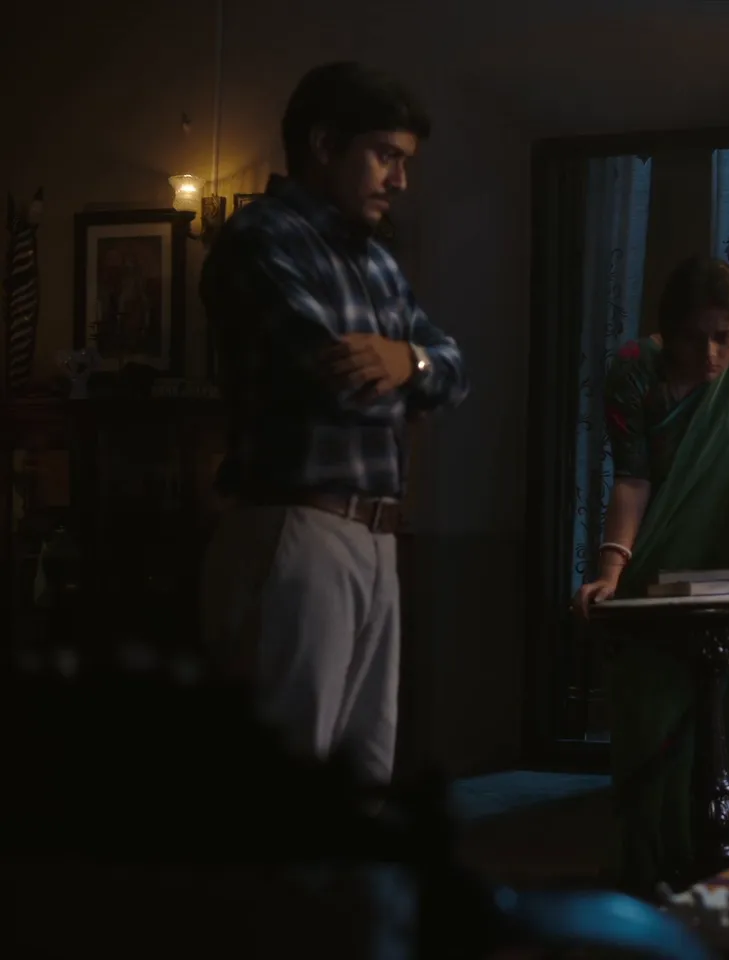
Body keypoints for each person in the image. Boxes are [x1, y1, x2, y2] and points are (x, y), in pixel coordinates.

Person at [199, 61, 468, 788]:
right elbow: (338, 381)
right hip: (297, 524)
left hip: (375, 536)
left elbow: (453, 371)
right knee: (288, 782)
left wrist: (406, 361)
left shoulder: (377, 262)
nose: (400, 181)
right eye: (385, 156)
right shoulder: (260, 240)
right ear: (324, 145)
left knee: (362, 777)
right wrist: (411, 373)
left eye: (404, 161)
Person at [574, 255, 729, 892]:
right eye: (695, 338)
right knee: (654, 710)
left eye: (724, 337)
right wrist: (610, 571)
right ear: (668, 331)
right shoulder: (634, 371)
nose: (711, 354)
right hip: (659, 565)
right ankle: (658, 869)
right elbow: (632, 479)